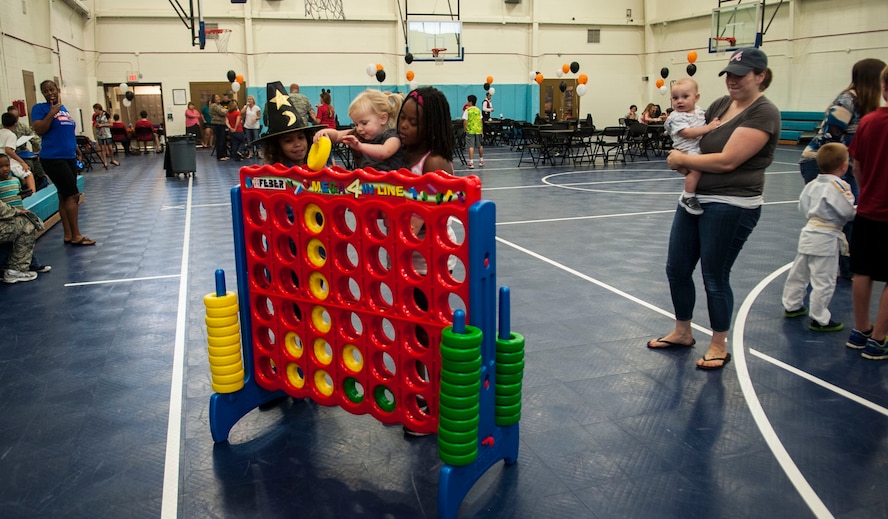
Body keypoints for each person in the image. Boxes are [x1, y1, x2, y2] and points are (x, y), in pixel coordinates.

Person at [650, 47, 781, 370]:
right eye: (730, 75)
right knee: (677, 268)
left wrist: (682, 160)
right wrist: (683, 158)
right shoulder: (722, 105)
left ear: (760, 77)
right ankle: (682, 331)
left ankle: (718, 343)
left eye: (741, 76)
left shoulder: (763, 113)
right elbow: (696, 140)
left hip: (732, 205)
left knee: (714, 276)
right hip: (694, 201)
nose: (733, 81)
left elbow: (727, 160)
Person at [396, 86, 457, 436]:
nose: (404, 126)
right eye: (402, 118)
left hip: (429, 270)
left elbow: (422, 220)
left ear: (431, 126)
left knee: (428, 338)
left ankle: (432, 407)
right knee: (412, 336)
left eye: (413, 122)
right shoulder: (406, 156)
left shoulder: (433, 162)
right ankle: (421, 396)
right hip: (409, 265)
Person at [798, 58, 886, 280]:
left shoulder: (865, 103)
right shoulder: (847, 101)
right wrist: (836, 170)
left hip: (844, 164)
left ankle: (848, 267)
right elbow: (830, 137)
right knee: (838, 214)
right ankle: (840, 267)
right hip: (822, 162)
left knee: (850, 213)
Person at [782, 143, 856, 332]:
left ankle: (792, 305)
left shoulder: (812, 184)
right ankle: (819, 318)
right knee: (825, 279)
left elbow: (803, 207)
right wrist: (858, 211)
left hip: (808, 232)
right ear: (844, 166)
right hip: (827, 236)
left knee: (799, 273)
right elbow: (846, 212)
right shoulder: (839, 185)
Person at [846, 64, 888, 359]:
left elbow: (856, 165)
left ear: (884, 88)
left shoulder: (869, 121)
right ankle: (879, 338)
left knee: (862, 271)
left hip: (868, 209)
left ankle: (860, 329)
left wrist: (868, 189)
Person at [31, 79, 95, 246]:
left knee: (63, 195)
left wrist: (76, 149)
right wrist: (51, 113)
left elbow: (67, 131)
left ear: (57, 90)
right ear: (42, 93)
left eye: (52, 89)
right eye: (46, 91)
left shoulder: (63, 109)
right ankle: (76, 235)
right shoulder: (40, 109)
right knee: (73, 195)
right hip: (53, 157)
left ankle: (68, 234)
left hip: (68, 156)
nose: (50, 93)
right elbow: (40, 129)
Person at [663, 78, 721, 215]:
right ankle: (688, 196)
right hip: (687, 149)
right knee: (696, 171)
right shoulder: (677, 116)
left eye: (685, 97)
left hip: (696, 147)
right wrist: (709, 128)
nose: (680, 101)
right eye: (675, 98)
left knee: (694, 171)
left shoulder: (699, 111)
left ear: (696, 98)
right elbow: (687, 133)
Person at [313, 89, 403, 171]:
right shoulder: (358, 133)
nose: (359, 128)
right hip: (367, 184)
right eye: (356, 124)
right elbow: (337, 135)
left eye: (364, 123)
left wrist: (360, 146)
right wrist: (324, 132)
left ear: (383, 119)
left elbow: (384, 151)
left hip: (391, 185)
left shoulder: (392, 136)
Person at [0, 154, 50, 275]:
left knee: (23, 243)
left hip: (14, 218)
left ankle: (32, 264)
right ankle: (11, 269)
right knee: (24, 231)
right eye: (1, 166)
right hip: (7, 219)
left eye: (7, 165)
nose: (5, 169)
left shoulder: (15, 181)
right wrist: (17, 212)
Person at [256, 82, 326, 167]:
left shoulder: (317, 169)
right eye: (288, 141)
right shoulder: (273, 176)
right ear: (277, 146)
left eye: (301, 137)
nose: (297, 144)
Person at [1, 113, 37, 195]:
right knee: (28, 173)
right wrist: (22, 162)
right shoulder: (11, 135)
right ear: (15, 124)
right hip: (6, 159)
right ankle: (33, 195)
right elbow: (8, 150)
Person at [462, 95, 484, 169]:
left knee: (470, 146)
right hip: (478, 130)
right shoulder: (478, 110)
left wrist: (464, 129)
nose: (466, 102)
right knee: (479, 145)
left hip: (470, 130)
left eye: (467, 101)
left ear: (470, 102)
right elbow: (481, 121)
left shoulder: (467, 110)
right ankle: (481, 160)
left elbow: (465, 121)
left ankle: (471, 162)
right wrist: (482, 131)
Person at [209, 94, 229, 161]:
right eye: (216, 97)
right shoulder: (214, 105)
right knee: (219, 140)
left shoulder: (219, 105)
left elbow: (226, 110)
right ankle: (220, 156)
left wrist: (225, 110)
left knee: (223, 140)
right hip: (217, 124)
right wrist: (224, 111)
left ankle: (224, 154)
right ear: (213, 99)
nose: (218, 98)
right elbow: (222, 113)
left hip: (222, 124)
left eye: (218, 97)